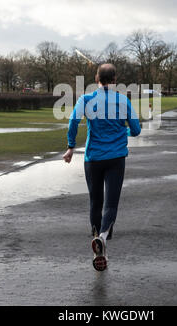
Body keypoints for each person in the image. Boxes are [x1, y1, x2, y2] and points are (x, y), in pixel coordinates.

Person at [63, 64, 141, 271]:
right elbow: (136, 129)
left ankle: (98, 242)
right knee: (111, 203)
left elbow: (73, 121)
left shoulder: (86, 99)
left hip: (93, 157)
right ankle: (104, 237)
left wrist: (71, 146)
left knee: (95, 200)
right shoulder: (123, 100)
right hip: (116, 157)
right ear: (115, 80)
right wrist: (121, 134)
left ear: (96, 78)